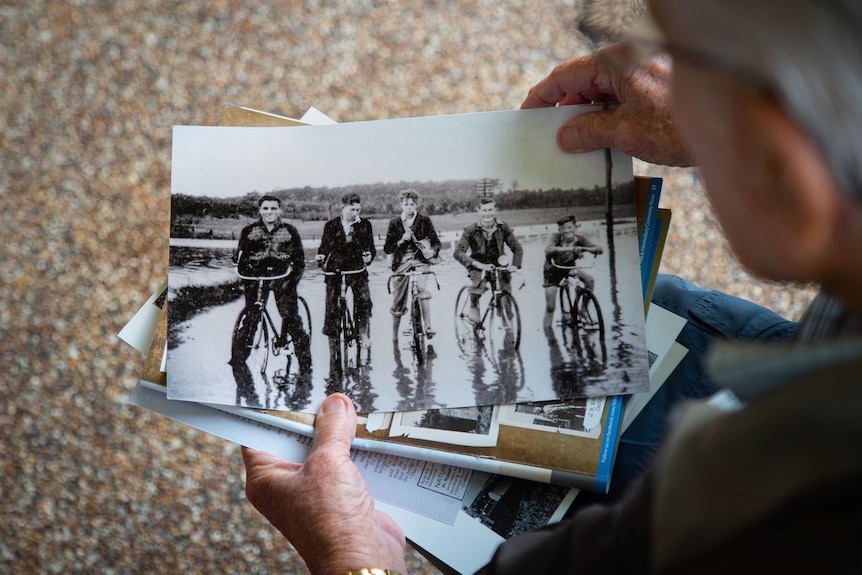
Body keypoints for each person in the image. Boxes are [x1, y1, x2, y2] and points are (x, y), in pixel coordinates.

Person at [240, 1, 862, 573]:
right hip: (800, 364)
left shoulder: (761, 520)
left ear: (783, 170)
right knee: (655, 300)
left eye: (698, 72)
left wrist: (352, 561)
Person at [232, 195, 310, 374]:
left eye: (273, 208)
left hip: (282, 276)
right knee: (251, 316)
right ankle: (238, 362)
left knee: (290, 317)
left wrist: (292, 281)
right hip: (256, 277)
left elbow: (299, 261)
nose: (269, 212)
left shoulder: (290, 230)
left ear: (280, 210)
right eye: (266, 209)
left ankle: (306, 364)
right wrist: (244, 274)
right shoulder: (249, 230)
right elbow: (241, 258)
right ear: (260, 210)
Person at [316, 193, 376, 364]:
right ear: (343, 208)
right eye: (352, 209)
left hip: (356, 268)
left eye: (358, 210)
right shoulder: (331, 225)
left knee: (364, 298)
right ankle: (332, 343)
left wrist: (368, 256)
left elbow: (370, 248)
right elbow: (324, 247)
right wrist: (320, 256)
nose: (355, 213)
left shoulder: (364, 225)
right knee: (331, 304)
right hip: (335, 269)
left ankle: (363, 333)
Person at [453, 197, 523, 324]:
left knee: (506, 294)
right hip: (478, 265)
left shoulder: (503, 227)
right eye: (484, 210)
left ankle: (508, 326)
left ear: (495, 210)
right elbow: (458, 252)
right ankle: (473, 307)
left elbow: (517, 248)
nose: (487, 214)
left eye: (490, 210)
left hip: (498, 264)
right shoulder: (470, 229)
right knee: (476, 286)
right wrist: (477, 264)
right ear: (479, 211)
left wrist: (515, 265)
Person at [383, 189, 441, 341]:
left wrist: (431, 251)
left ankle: (428, 326)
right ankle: (394, 336)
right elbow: (387, 248)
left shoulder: (424, 220)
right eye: (406, 204)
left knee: (422, 289)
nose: (409, 207)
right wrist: (401, 240)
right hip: (401, 262)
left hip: (420, 261)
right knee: (398, 299)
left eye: (412, 204)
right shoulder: (395, 223)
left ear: (416, 205)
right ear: (401, 205)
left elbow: (436, 243)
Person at [542, 214, 604, 329]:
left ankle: (583, 311)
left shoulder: (580, 238)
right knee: (550, 307)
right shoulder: (555, 237)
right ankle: (548, 333)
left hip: (569, 268)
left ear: (575, 227)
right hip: (552, 271)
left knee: (589, 280)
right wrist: (570, 249)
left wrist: (585, 249)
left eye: (570, 227)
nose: (567, 231)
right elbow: (548, 249)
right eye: (563, 228)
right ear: (559, 230)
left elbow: (599, 249)